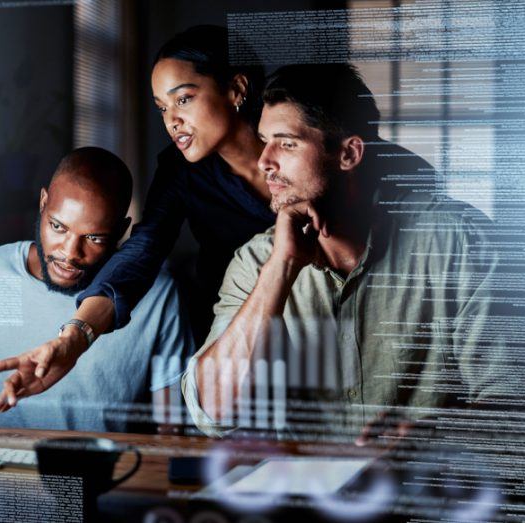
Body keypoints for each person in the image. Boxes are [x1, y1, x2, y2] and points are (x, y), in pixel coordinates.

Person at [181, 64, 511, 442]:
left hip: (429, 488)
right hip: (305, 495)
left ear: (349, 154)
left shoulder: (459, 242)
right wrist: (282, 267)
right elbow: (213, 414)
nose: (264, 161)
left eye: (287, 143)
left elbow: (510, 399)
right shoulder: (257, 262)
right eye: (264, 140)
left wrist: (430, 436)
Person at [0, 25, 274, 406]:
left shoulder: (306, 147)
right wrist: (73, 340)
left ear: (237, 89)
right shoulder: (181, 171)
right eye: (162, 108)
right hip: (239, 330)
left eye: (184, 99)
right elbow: (144, 249)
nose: (172, 120)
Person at [0, 147, 194, 432]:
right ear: (43, 202)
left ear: (122, 231)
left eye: (94, 237)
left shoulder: (158, 294)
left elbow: (171, 428)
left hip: (109, 472)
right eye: (58, 226)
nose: (70, 253)